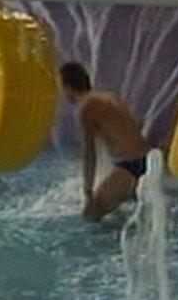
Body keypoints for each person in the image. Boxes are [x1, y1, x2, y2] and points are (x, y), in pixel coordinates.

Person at [59, 61, 151, 222]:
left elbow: (89, 153)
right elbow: (134, 125)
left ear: (68, 86)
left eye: (61, 87)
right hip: (146, 160)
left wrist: (88, 192)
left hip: (130, 167)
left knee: (91, 214)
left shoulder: (86, 107)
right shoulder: (107, 97)